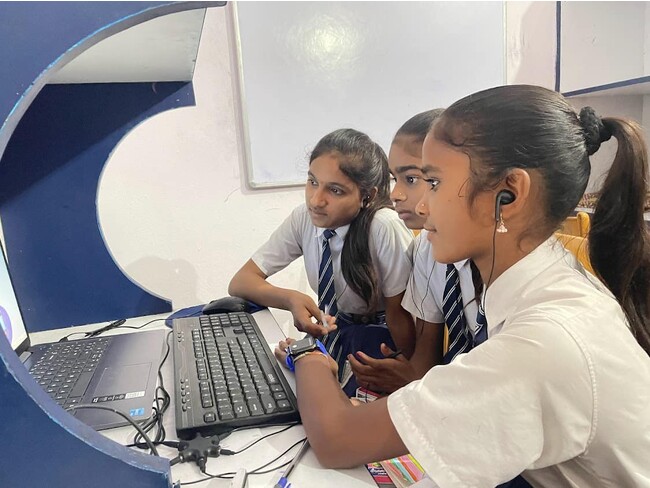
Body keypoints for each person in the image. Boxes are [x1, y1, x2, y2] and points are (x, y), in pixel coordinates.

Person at [274, 85, 650, 487]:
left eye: (432, 183)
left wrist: (308, 354)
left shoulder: (544, 340)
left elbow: (337, 439)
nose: (420, 205)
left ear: (509, 195)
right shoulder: (542, 283)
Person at [229, 128, 415, 397]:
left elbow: (401, 318)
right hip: (334, 333)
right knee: (277, 385)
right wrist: (290, 299)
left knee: (329, 408)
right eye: (312, 182)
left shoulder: (384, 227)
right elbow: (241, 282)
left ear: (367, 196)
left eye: (335, 190)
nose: (316, 200)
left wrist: (410, 380)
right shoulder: (303, 219)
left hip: (380, 343)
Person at [350, 108, 484, 394]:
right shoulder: (424, 248)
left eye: (412, 179)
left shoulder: (498, 260)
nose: (395, 194)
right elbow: (425, 357)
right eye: (394, 179)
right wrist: (405, 376)